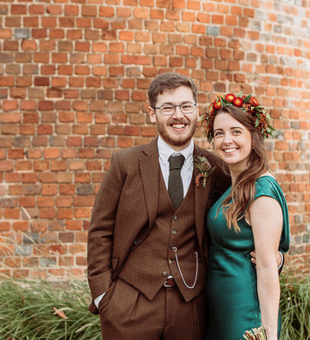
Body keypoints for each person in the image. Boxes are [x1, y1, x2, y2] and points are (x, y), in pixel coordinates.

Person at [86, 73, 282, 340]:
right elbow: (100, 230)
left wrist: (276, 256)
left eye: (185, 106)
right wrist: (103, 296)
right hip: (129, 306)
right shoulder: (126, 164)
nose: (178, 115)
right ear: (152, 114)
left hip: (192, 308)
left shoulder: (218, 168)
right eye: (167, 107)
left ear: (195, 111)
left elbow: (255, 216)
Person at [200, 93, 290, 340]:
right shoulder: (234, 184)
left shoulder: (261, 191)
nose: (227, 140)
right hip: (222, 311)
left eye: (236, 131)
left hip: (245, 313)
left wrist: (268, 334)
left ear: (254, 135)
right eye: (219, 133)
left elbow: (266, 266)